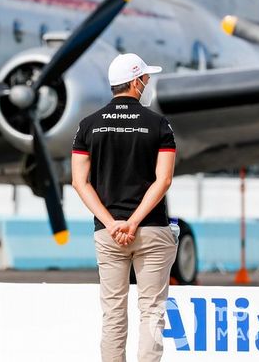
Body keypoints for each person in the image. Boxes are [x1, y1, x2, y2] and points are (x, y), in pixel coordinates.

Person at [71, 52, 177, 362]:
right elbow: (164, 179)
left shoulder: (88, 126)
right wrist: (134, 222)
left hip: (109, 234)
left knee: (114, 312)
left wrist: (112, 223)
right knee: (152, 311)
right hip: (152, 230)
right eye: (145, 77)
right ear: (135, 82)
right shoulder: (158, 124)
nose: (147, 82)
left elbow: (80, 182)